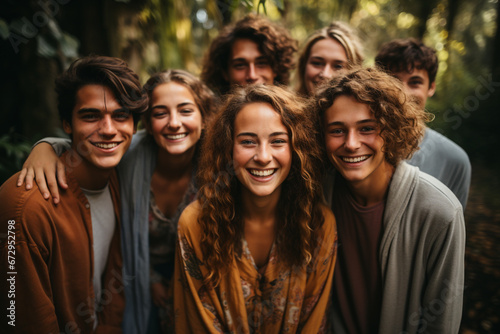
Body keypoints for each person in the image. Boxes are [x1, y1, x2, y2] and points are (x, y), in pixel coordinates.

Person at [15, 70, 218, 333]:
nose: (174, 123)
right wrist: (47, 146)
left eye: (186, 111)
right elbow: (89, 144)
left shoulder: (219, 163)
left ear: (204, 117)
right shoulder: (128, 156)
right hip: (137, 285)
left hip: (202, 286)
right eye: (159, 113)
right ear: (144, 121)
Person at [0, 55, 148, 333]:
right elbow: (19, 318)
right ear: (67, 123)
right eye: (91, 116)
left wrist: (46, 144)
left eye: (120, 116)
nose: (108, 130)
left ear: (134, 126)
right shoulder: (24, 208)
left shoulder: (122, 176)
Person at [173, 84, 337, 333]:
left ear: (296, 149)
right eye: (248, 141)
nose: (262, 156)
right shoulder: (195, 223)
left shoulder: (320, 224)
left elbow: (314, 324)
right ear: (228, 149)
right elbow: (199, 324)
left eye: (278, 141)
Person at [314, 67, 465, 333]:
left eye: (367, 128)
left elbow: (441, 324)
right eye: (337, 130)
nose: (351, 143)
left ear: (392, 130)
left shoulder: (440, 212)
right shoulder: (315, 196)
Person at [375, 38, 471, 208]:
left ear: (431, 87)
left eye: (415, 82)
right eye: (393, 80)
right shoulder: (356, 145)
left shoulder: (455, 161)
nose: (403, 92)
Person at [200, 13, 297, 95]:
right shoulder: (212, 117)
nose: (252, 75)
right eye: (240, 65)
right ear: (225, 73)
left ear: (276, 69)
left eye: (261, 63)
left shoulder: (296, 116)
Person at [296, 21, 364, 96]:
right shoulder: (284, 106)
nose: (325, 74)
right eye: (317, 63)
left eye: (338, 66)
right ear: (303, 66)